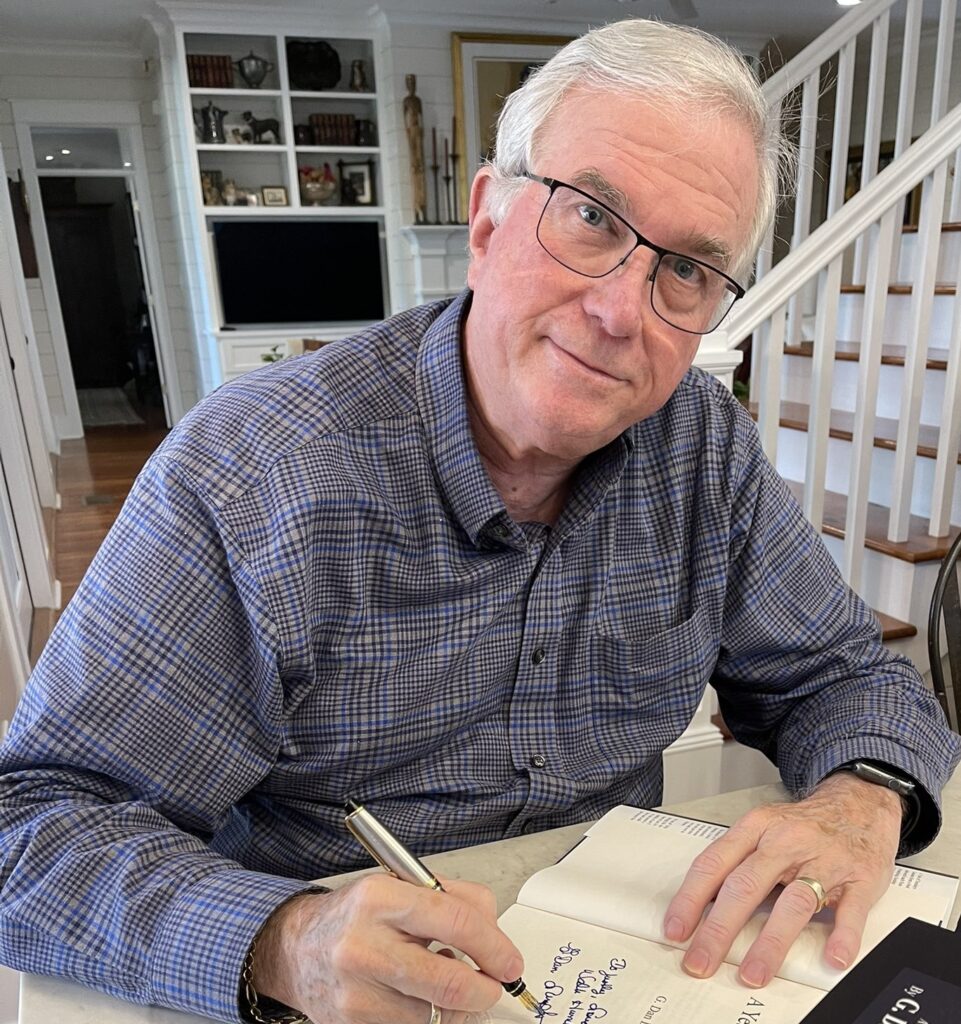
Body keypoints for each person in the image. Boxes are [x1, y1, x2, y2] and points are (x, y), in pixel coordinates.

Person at [0, 18, 957, 1024]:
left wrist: (860, 795)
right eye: (591, 216)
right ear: (489, 216)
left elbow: (843, 672)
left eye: (686, 269)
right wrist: (282, 940)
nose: (621, 310)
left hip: (628, 961)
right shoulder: (252, 477)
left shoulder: (701, 447)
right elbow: (33, 824)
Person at [403, 73, 428, 223]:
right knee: (415, 165)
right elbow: (403, 117)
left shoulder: (417, 101)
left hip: (418, 132)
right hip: (411, 131)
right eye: (409, 82)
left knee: (419, 162)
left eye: (413, 82)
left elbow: (422, 117)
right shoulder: (407, 101)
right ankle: (417, 210)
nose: (411, 85)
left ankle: (422, 210)